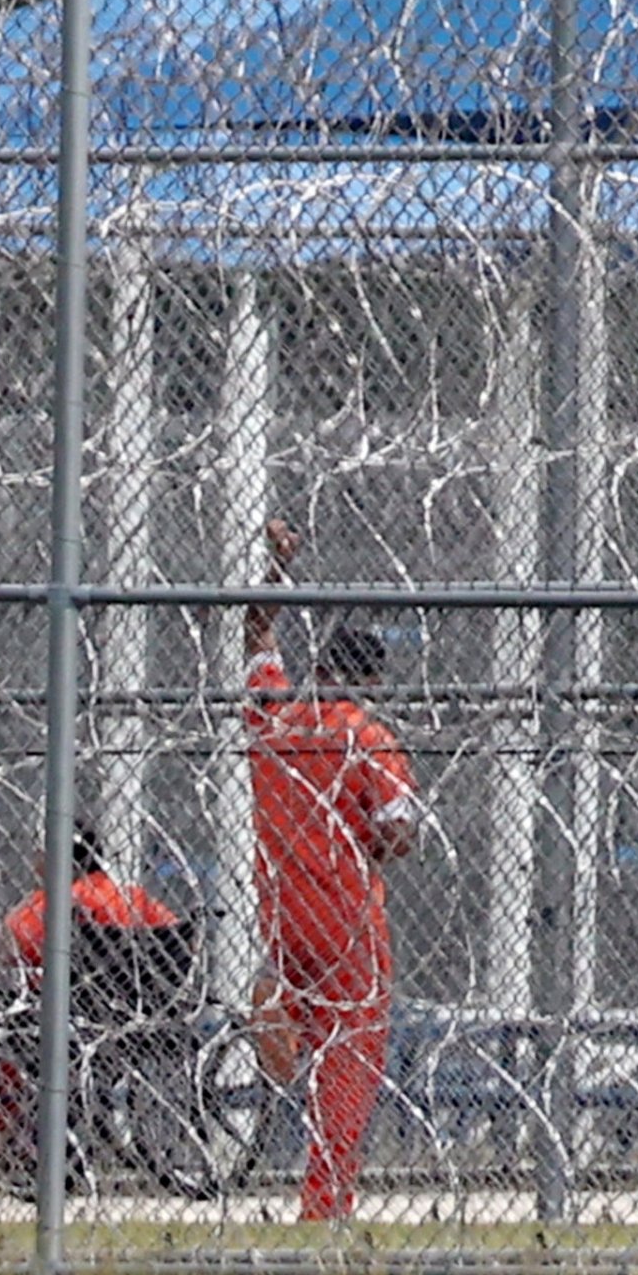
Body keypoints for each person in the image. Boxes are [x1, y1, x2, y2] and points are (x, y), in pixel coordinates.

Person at [245, 516, 419, 1222]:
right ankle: (326, 1201)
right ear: (370, 679)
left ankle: (274, 1025)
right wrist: (374, 844)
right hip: (347, 920)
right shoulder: (367, 735)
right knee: (350, 1060)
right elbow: (399, 828)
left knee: (307, 1045)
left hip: (283, 915)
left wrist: (278, 568)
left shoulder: (278, 719)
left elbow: (255, 634)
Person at [0, 828, 180, 979]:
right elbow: (179, 936)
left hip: (67, 1002)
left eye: (41, 858)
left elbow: (9, 947)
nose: (35, 867)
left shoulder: (57, 899)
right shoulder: (132, 897)